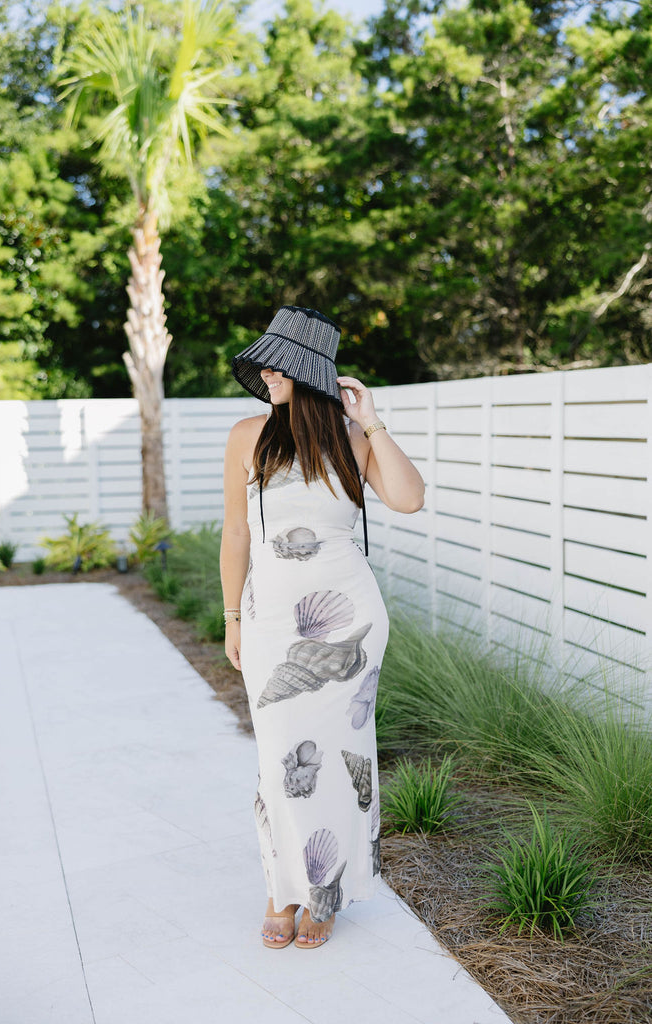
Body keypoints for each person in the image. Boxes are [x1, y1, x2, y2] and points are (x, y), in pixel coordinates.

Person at [220, 306, 424, 949]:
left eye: (277, 364)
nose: (265, 372)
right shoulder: (247, 436)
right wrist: (231, 616)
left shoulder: (351, 439)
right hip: (270, 621)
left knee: (339, 757)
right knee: (278, 758)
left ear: (307, 372)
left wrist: (373, 421)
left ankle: (325, 892)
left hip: (349, 624)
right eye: (262, 363)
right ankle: (282, 887)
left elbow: (409, 498)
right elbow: (236, 533)